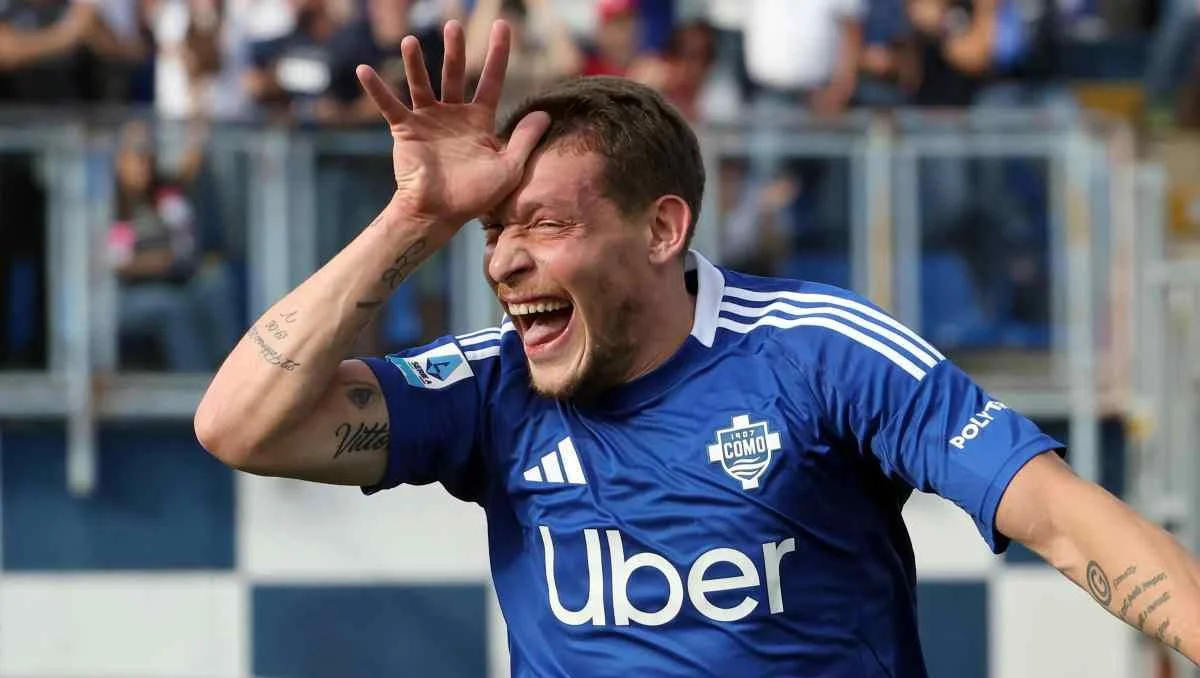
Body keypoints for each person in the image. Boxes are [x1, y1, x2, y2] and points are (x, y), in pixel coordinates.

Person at [195, 19, 1200, 676]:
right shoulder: (490, 387)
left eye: (544, 224)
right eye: (491, 229)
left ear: (661, 230)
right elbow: (239, 427)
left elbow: (1064, 521)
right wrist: (415, 219)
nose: (502, 259)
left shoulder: (818, 352)